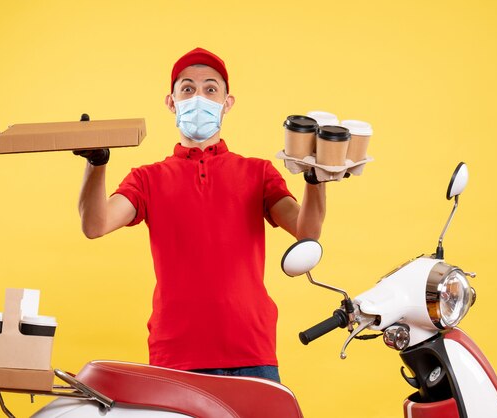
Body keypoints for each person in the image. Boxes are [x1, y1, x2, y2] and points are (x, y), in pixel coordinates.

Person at [75, 48, 326, 383]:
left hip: (251, 350)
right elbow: (95, 224)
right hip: (177, 354)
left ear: (227, 102)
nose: (199, 97)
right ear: (171, 101)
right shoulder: (147, 178)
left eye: (211, 89)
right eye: (188, 89)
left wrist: (315, 178)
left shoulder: (258, 172)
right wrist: (97, 164)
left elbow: (306, 230)